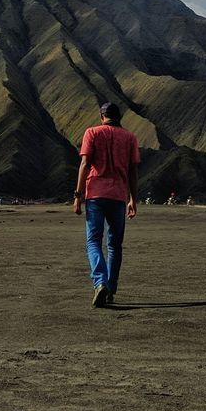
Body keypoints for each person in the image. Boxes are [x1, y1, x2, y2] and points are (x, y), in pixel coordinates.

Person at [73, 102, 140, 308]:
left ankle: (100, 282)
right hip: (118, 197)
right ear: (119, 117)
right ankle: (111, 288)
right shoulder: (130, 137)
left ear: (102, 116)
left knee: (93, 241)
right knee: (114, 246)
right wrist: (133, 200)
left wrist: (78, 195)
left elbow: (85, 164)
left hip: (95, 195)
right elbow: (132, 172)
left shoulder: (92, 133)